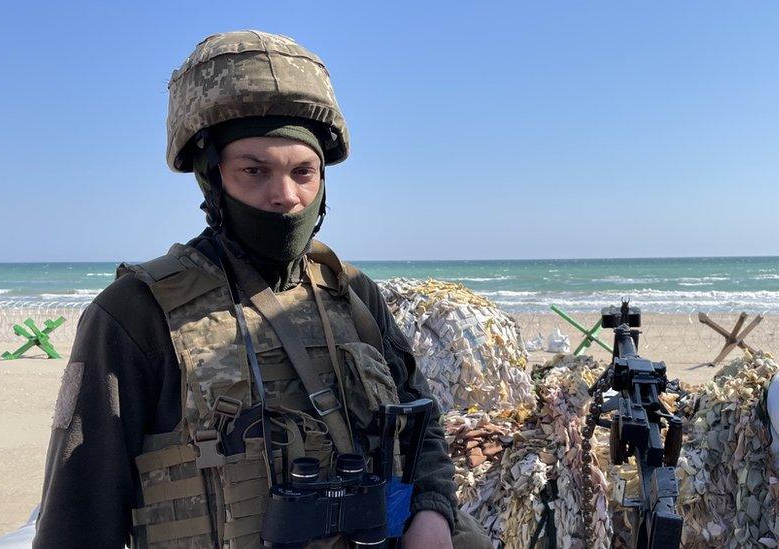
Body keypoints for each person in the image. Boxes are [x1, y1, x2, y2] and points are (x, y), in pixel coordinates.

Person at [34, 30, 489, 548]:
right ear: (213, 178)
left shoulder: (354, 293)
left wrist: (433, 512)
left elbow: (420, 423)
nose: (285, 196)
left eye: (303, 172)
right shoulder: (135, 313)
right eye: (254, 171)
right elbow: (77, 513)